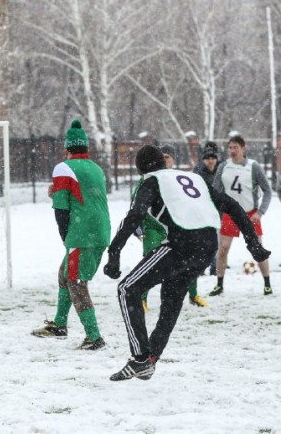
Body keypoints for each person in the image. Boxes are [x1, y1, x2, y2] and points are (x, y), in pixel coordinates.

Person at [103, 145, 270, 381]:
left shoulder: (151, 181)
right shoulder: (193, 178)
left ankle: (140, 359)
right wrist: (252, 243)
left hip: (182, 244)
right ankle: (151, 359)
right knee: (171, 301)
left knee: (127, 288)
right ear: (163, 162)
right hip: (207, 247)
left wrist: (114, 253)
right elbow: (231, 205)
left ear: (140, 169)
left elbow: (135, 215)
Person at [31, 119, 110, 350]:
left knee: (75, 282)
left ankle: (94, 337)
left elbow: (62, 209)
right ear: (86, 147)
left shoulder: (63, 167)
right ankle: (59, 324)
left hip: (82, 233)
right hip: (100, 230)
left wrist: (66, 236)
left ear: (66, 148)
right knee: (64, 274)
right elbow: (85, 196)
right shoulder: (96, 168)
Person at [135, 144, 207, 309]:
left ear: (173, 160)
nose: (163, 160)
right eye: (161, 157)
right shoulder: (148, 178)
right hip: (153, 228)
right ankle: (142, 299)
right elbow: (135, 205)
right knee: (150, 263)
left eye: (167, 157)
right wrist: (137, 226)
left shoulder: (179, 178)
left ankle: (193, 295)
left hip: (177, 227)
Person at [208, 132, 273, 297]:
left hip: (250, 213)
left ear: (244, 148)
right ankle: (219, 284)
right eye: (230, 147)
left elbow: (267, 191)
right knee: (223, 248)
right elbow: (216, 191)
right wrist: (217, 210)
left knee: (257, 248)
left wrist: (260, 212)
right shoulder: (223, 166)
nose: (232, 150)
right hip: (230, 214)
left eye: (236, 147)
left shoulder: (253, 166)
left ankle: (267, 284)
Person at [192, 141, 221, 276]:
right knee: (203, 241)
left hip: (217, 210)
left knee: (215, 240)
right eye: (208, 158)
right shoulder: (198, 171)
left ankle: (214, 267)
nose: (210, 161)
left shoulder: (221, 169)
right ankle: (202, 266)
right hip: (203, 209)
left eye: (213, 158)